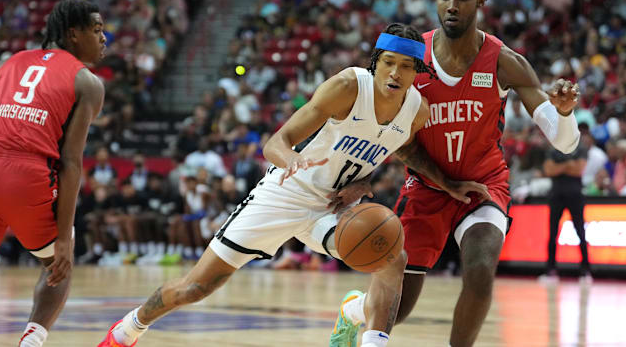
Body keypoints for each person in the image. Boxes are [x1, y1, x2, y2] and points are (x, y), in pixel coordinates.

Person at [97, 23, 431, 347]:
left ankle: (355, 317)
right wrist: (292, 160)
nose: (394, 73)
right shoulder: (349, 87)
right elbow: (275, 143)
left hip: (333, 207)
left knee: (392, 258)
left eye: (405, 66)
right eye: (388, 62)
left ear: (416, 70)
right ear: (376, 62)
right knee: (196, 287)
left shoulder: (416, 112)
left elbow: (390, 145)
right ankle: (127, 330)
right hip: (286, 193)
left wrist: (364, 181)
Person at [335, 0, 581, 347]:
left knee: (481, 272)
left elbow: (564, 141)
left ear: (481, 0)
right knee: (400, 308)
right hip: (427, 186)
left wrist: (565, 113)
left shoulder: (505, 62)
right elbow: (382, 126)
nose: (453, 5)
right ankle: (354, 310)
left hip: (482, 186)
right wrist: (361, 176)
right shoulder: (411, 60)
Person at [0, 0, 106, 347]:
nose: (104, 38)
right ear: (72, 34)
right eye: (96, 30)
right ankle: (31, 342)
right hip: (29, 177)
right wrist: (64, 238)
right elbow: (70, 163)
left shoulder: (1, 66)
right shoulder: (88, 83)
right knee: (57, 264)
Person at [540, 145, 591, 282]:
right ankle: (550, 269)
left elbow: (579, 170)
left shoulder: (580, 148)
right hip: (556, 195)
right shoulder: (553, 150)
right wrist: (568, 165)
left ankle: (585, 271)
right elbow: (549, 170)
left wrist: (559, 167)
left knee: (581, 232)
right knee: (552, 233)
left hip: (575, 195)